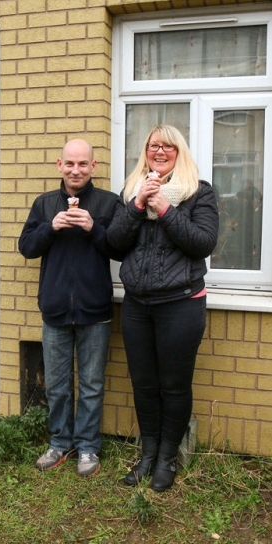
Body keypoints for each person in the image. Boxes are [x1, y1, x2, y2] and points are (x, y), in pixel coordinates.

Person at [107, 125, 218, 492]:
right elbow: (113, 244)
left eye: (168, 146)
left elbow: (202, 243)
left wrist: (165, 208)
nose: (160, 151)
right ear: (146, 151)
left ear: (179, 152)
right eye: (154, 145)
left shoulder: (198, 193)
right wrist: (139, 203)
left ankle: (167, 457)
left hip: (181, 304)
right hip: (139, 305)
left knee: (173, 385)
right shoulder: (132, 192)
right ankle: (148, 455)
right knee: (143, 384)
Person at [19, 139, 123, 477]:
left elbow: (121, 248)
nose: (75, 170)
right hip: (55, 310)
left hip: (95, 310)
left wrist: (94, 228)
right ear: (59, 165)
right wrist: (52, 227)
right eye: (69, 164)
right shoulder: (45, 203)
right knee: (57, 384)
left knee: (91, 384)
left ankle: (89, 447)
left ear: (93, 167)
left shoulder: (108, 203)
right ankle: (60, 442)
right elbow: (26, 248)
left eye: (82, 164)